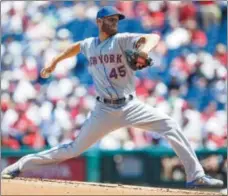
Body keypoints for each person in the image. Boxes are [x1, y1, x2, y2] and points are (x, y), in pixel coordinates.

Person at [1, 6, 223, 188]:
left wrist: (143, 52)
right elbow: (76, 47)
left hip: (130, 106)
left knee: (170, 124)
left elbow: (152, 37)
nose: (115, 22)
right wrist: (54, 62)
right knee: (73, 149)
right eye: (110, 19)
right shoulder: (90, 44)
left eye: (117, 19)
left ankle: (196, 176)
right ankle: (22, 163)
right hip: (103, 111)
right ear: (99, 22)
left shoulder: (122, 40)